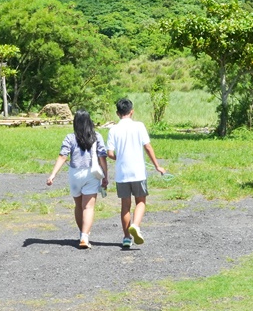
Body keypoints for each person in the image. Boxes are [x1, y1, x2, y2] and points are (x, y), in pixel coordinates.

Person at [106, 97, 165, 248]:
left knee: (125, 205)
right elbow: (148, 147)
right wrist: (157, 166)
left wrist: (120, 158)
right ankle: (136, 226)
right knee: (141, 201)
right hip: (138, 172)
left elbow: (110, 153)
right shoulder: (139, 126)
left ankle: (126, 238)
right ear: (131, 112)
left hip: (122, 174)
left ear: (118, 113)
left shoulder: (113, 129)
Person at [46, 109, 109, 249]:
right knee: (88, 207)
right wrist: (105, 176)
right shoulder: (97, 136)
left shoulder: (70, 138)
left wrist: (53, 174)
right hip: (92, 174)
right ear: (89, 122)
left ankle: (82, 233)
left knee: (78, 206)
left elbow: (63, 156)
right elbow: (102, 157)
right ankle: (85, 237)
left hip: (75, 174)